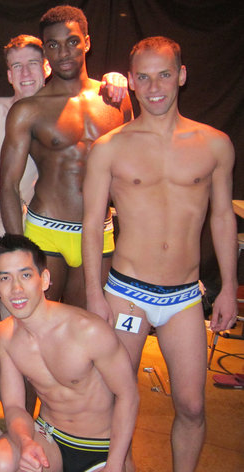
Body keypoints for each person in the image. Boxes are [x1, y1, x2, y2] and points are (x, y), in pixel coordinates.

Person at [82, 36, 238, 472]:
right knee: (116, 400)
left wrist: (228, 287)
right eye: (144, 77)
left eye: (164, 75)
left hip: (184, 295)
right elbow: (92, 223)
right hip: (126, 293)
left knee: (192, 405)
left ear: (181, 76)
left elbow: (222, 217)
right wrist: (94, 293)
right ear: (131, 81)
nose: (154, 87)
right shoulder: (110, 147)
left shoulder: (214, 144)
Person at [0, 5, 132, 308]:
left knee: (88, 325)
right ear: (45, 50)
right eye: (53, 45)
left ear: (87, 42)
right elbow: (7, 186)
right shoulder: (28, 110)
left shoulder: (116, 101)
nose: (63, 53)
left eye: (72, 42)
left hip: (99, 231)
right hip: (46, 231)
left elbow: (133, 174)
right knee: (39, 325)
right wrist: (19, 250)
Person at [0, 234, 138, 472]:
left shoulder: (88, 330)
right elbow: (13, 406)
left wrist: (116, 463)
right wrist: (25, 442)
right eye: (5, 278)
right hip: (49, 437)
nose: (16, 288)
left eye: (26, 275)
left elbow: (128, 396)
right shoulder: (5, 335)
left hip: (101, 446)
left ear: (44, 279)